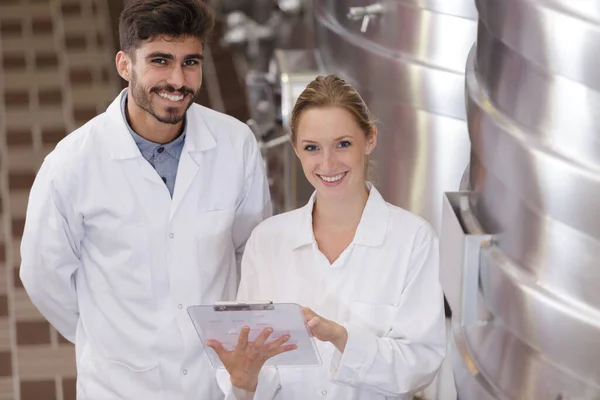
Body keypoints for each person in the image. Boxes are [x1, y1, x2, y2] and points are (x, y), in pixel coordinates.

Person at [19, 1, 271, 399]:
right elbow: (43, 277)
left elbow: (251, 253)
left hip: (214, 380)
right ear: (124, 65)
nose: (178, 79)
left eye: (191, 62)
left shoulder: (235, 144)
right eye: (160, 60)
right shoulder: (72, 164)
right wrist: (107, 338)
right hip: (121, 384)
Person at [208, 75, 447, 399]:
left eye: (343, 144)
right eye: (312, 148)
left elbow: (420, 365)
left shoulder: (412, 240)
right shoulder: (268, 241)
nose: (328, 163)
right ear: (296, 149)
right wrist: (244, 382)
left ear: (370, 139)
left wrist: (340, 337)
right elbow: (256, 374)